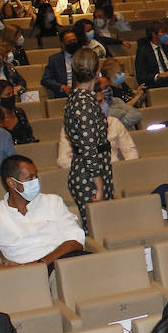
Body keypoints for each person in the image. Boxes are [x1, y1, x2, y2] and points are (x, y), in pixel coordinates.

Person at [0, 156, 85, 271]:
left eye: (36, 176)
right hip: (34, 277)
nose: (36, 182)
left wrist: (40, 264)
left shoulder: (52, 202)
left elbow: (76, 239)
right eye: (30, 178)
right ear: (12, 183)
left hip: (67, 261)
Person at [64, 48, 113, 225]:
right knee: (97, 227)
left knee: (98, 225)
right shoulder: (84, 102)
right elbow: (89, 147)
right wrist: (99, 186)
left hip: (90, 170)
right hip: (89, 175)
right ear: (97, 70)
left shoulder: (77, 97)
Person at [56, 88, 136, 167]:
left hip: (114, 170)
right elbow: (63, 160)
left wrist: (127, 170)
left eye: (104, 100)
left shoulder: (114, 122)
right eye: (100, 102)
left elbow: (130, 151)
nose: (105, 105)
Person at [135, 19, 168, 89]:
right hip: (156, 83)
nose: (166, 35)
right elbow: (141, 76)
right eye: (163, 33)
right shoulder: (143, 51)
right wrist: (159, 75)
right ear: (154, 35)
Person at [99, 58, 144, 129]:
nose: (122, 74)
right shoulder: (109, 91)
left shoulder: (122, 84)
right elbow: (121, 107)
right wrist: (136, 98)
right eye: (119, 73)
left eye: (123, 72)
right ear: (110, 74)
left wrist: (136, 92)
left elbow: (128, 94)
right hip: (122, 121)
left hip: (133, 115)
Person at [0, 80, 37, 145]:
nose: (12, 97)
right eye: (8, 94)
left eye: (12, 94)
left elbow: (30, 136)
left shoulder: (19, 113)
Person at [39, 26, 79, 98]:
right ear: (63, 45)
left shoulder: (85, 57)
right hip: (63, 95)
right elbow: (45, 80)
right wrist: (62, 87)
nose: (73, 43)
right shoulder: (55, 60)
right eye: (70, 42)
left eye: (74, 41)